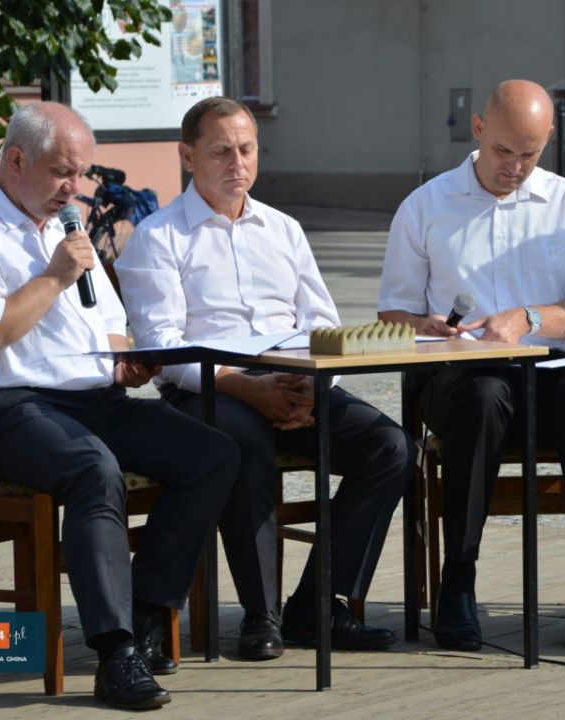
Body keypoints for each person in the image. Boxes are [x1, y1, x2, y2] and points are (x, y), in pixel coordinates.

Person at [0, 102, 242, 710]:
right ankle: (114, 655)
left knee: (212, 454)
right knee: (94, 469)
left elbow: (109, 330)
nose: (74, 188)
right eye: (62, 172)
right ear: (16, 160)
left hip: (92, 401)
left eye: (81, 173)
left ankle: (146, 615)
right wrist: (54, 277)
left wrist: (128, 360)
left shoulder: (68, 231)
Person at [115, 97, 415, 657]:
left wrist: (312, 387)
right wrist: (246, 387)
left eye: (246, 149)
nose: (238, 163)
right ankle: (261, 616)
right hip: (206, 388)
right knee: (244, 442)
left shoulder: (283, 228)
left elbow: (321, 321)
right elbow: (165, 347)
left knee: (391, 447)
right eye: (221, 151)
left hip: (294, 380)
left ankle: (318, 604)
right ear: (188, 156)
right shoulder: (159, 237)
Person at [378, 79, 565, 652]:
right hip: (460, 375)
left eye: (529, 154)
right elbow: (393, 312)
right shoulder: (427, 205)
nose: (514, 167)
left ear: (549, 140)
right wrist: (426, 326)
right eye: (503, 151)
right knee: (484, 397)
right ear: (479, 129)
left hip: (548, 370)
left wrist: (529, 317)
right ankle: (458, 583)